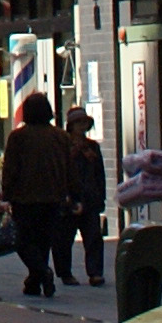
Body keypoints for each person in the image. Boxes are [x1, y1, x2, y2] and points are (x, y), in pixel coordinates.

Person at [0, 92, 76, 299]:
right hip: (54, 196)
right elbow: (70, 167)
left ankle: (41, 273)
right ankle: (35, 280)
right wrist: (71, 193)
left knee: (22, 240)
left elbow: (11, 167)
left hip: (25, 196)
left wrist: (6, 192)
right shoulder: (61, 137)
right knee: (43, 240)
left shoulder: (18, 137)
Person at [66, 105, 111, 288]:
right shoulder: (65, 147)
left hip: (90, 197)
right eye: (78, 123)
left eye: (84, 122)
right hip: (70, 198)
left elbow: (100, 174)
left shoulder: (92, 148)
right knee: (65, 237)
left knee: (93, 237)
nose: (81, 126)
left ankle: (95, 272)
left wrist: (101, 197)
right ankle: (66, 272)